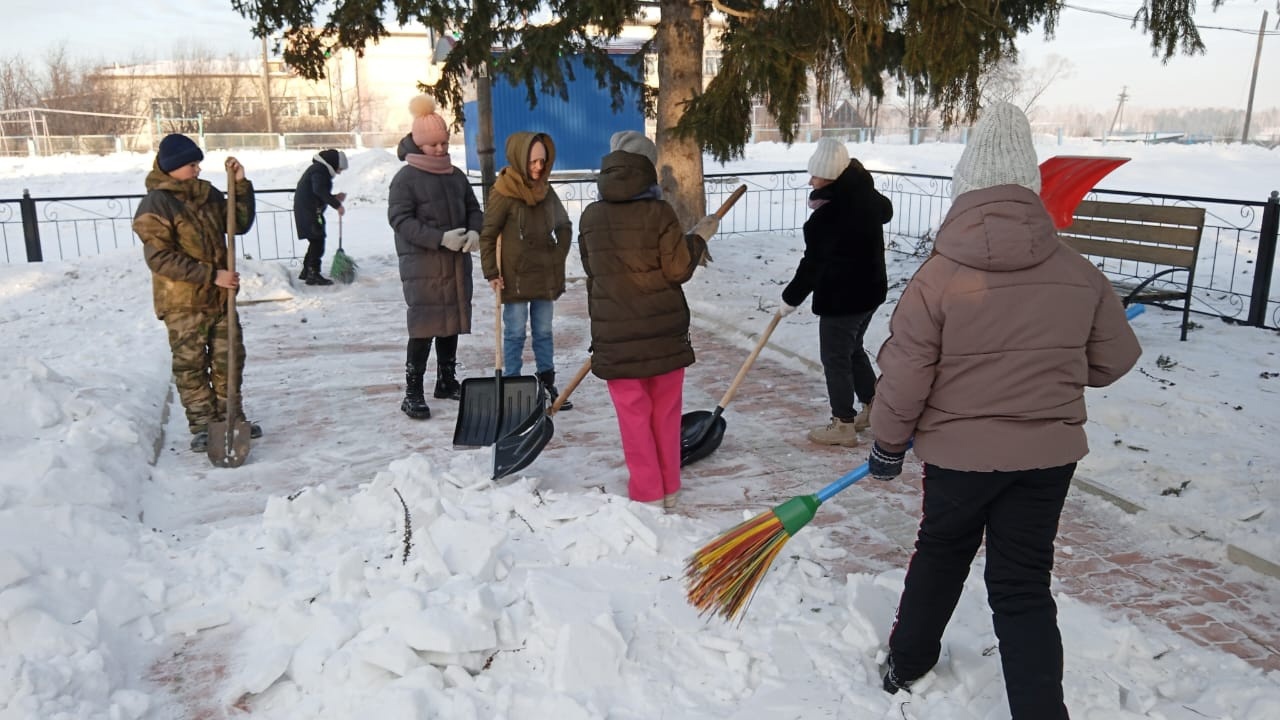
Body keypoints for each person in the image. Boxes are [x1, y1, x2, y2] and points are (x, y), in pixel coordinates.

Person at [868, 102, 1142, 718]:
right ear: (1032, 189)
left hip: (959, 461)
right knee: (1022, 585)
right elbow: (1113, 361)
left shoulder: (936, 279)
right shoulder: (1080, 273)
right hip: (1047, 461)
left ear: (966, 188)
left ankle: (906, 664)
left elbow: (905, 376)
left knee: (940, 555)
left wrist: (888, 446)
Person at [577, 130, 721, 511]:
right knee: (667, 411)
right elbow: (677, 270)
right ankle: (670, 488)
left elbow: (591, 268)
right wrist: (698, 240)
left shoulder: (591, 216)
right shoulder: (660, 213)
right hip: (663, 332)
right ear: (647, 168)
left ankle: (647, 492)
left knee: (633, 416)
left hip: (616, 334)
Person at [132, 133, 262, 452]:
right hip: (183, 302)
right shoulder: (155, 204)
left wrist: (241, 185)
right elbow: (159, 258)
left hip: (219, 298)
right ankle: (204, 424)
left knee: (229, 357)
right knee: (191, 365)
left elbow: (238, 223)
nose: (197, 169)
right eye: (192, 164)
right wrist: (211, 275)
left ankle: (231, 416)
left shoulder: (205, 195)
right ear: (174, 166)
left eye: (198, 163)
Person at [781, 137, 893, 447]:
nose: (810, 181)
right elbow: (885, 210)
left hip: (843, 299)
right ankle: (873, 407)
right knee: (852, 349)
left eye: (815, 175)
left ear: (830, 176)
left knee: (835, 357)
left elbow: (812, 265)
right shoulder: (867, 198)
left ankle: (842, 422)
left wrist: (790, 299)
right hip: (870, 292)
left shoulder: (828, 218)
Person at [387, 94, 483, 419]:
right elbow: (400, 221)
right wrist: (440, 238)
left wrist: (474, 231)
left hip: (455, 264)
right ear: (418, 144)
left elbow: (473, 208)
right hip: (423, 266)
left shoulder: (454, 176)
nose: (440, 150)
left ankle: (446, 380)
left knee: (450, 323)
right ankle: (412, 392)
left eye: (444, 143)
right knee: (425, 326)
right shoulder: (405, 179)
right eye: (433, 145)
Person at [478, 131, 575, 409]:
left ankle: (546, 382)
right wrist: (491, 272)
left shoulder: (545, 190)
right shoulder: (503, 192)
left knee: (544, 331)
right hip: (514, 278)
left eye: (542, 162)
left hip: (544, 275)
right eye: (533, 162)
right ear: (520, 159)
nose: (538, 168)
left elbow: (564, 226)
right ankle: (511, 386)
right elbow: (488, 235)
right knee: (515, 332)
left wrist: (558, 254)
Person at [293, 148, 348, 286]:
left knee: (315, 240)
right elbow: (319, 190)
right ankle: (313, 273)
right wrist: (337, 205)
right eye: (339, 168)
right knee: (318, 241)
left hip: (308, 210)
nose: (339, 172)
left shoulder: (319, 170)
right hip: (308, 211)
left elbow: (317, 192)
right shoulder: (319, 170)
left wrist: (334, 197)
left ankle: (307, 270)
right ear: (333, 164)